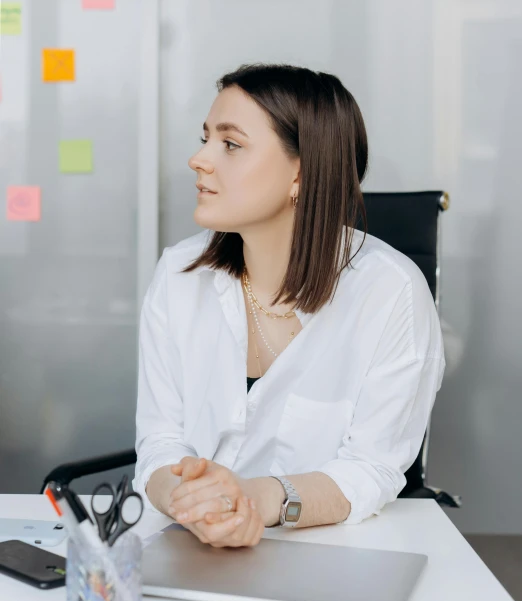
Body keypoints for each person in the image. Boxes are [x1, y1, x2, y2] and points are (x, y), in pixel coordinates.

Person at [133, 62, 446, 549]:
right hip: (188, 544)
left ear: (301, 172)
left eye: (230, 144)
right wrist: (185, 501)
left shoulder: (391, 292)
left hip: (329, 550)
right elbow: (160, 443)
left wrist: (254, 501)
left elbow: (371, 468)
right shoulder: (179, 273)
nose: (199, 159)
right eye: (205, 139)